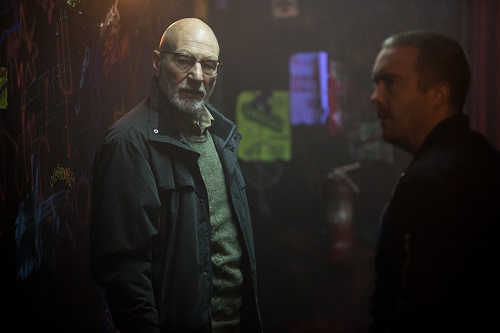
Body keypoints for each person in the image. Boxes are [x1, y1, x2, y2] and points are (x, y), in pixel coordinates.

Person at [90, 18, 262, 333]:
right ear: (157, 63)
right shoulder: (129, 143)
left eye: (208, 65)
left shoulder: (220, 138)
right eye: (184, 60)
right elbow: (124, 273)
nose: (197, 76)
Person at [369, 30, 500, 333]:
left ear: (439, 95)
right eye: (376, 83)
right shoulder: (482, 158)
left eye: (390, 83)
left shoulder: (431, 182)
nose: (375, 97)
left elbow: (422, 313)